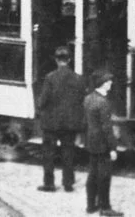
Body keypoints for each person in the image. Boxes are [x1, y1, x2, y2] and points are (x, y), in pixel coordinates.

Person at [36, 45, 85, 193]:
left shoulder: (50, 78)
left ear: (56, 60)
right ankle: (68, 184)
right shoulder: (78, 79)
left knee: (48, 154)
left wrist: (40, 108)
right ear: (69, 60)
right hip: (70, 123)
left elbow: (43, 101)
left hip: (51, 123)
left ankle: (49, 184)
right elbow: (81, 100)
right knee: (68, 153)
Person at [84, 71, 123, 217]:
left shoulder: (88, 98)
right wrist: (112, 148)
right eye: (108, 82)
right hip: (102, 143)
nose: (110, 84)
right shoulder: (104, 103)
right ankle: (105, 208)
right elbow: (107, 128)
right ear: (102, 84)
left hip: (91, 141)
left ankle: (90, 205)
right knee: (104, 176)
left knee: (92, 174)